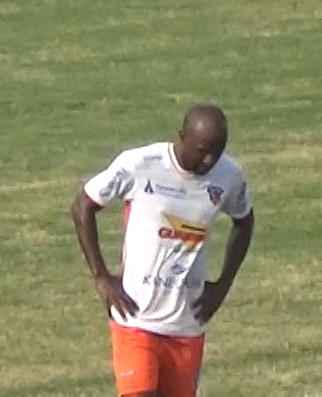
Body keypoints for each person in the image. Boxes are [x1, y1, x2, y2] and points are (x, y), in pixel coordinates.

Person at [71, 104, 256, 397]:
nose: (209, 160)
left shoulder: (229, 176)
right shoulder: (140, 165)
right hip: (136, 319)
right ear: (182, 137)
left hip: (186, 324)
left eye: (217, 151)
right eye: (202, 150)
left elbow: (244, 222)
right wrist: (101, 276)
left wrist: (223, 285)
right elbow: (83, 205)